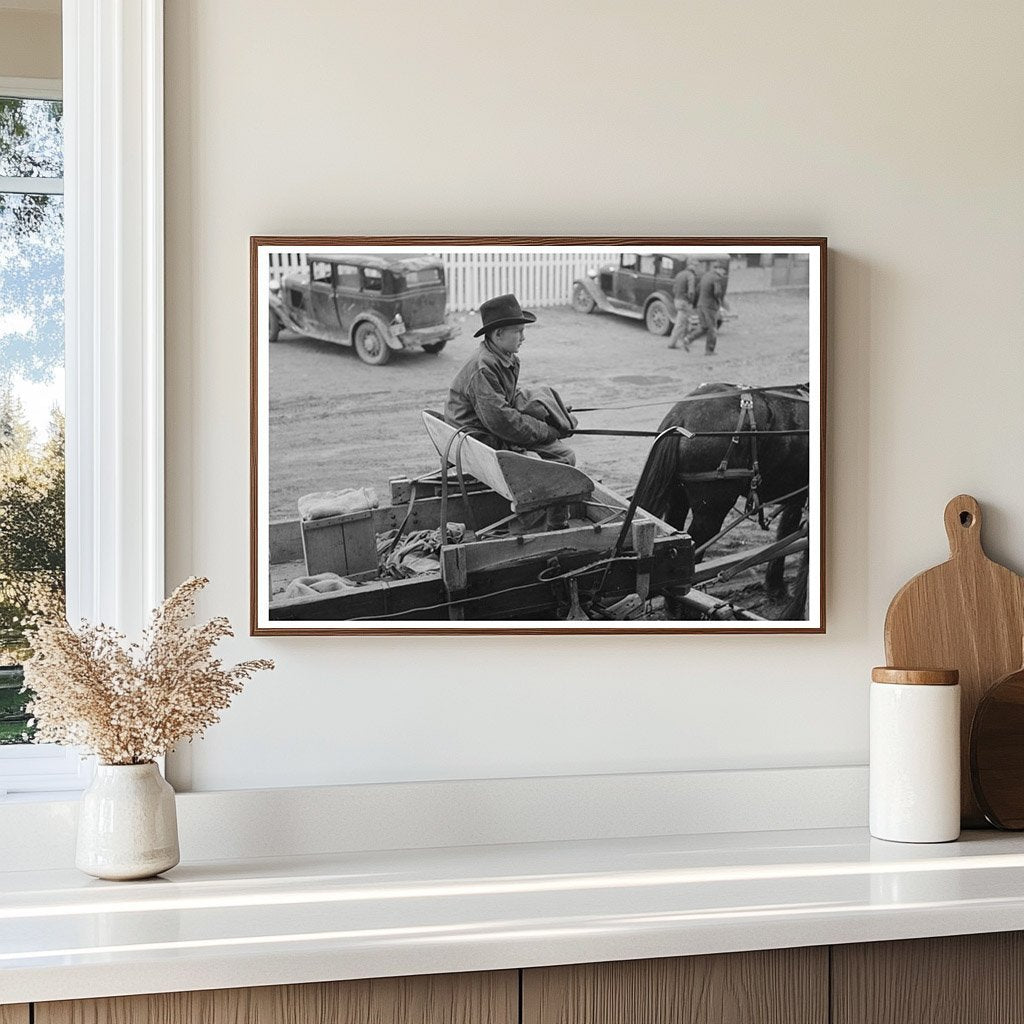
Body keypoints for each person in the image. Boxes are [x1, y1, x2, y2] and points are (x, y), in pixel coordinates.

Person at [445, 294, 576, 465]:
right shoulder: (484, 369)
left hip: (485, 430)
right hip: (478, 440)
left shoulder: (504, 357)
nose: (523, 337)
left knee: (557, 446)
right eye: (518, 331)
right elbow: (503, 422)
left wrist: (549, 411)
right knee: (563, 456)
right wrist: (547, 431)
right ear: (499, 334)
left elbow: (509, 400)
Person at [683, 261, 728, 354]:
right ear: (718, 269)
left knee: (704, 327)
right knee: (712, 329)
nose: (724, 273)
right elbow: (717, 293)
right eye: (723, 271)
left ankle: (688, 339)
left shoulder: (705, 276)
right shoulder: (716, 278)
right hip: (710, 307)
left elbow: (697, 290)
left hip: (701, 305)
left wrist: (695, 304)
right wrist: (719, 302)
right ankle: (709, 350)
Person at [667, 258, 698, 350]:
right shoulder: (690, 275)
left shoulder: (679, 274)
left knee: (686, 321)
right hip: (685, 302)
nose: (696, 267)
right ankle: (672, 343)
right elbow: (691, 291)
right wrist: (691, 301)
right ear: (691, 265)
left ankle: (685, 340)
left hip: (677, 300)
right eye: (695, 265)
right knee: (681, 323)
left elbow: (674, 289)